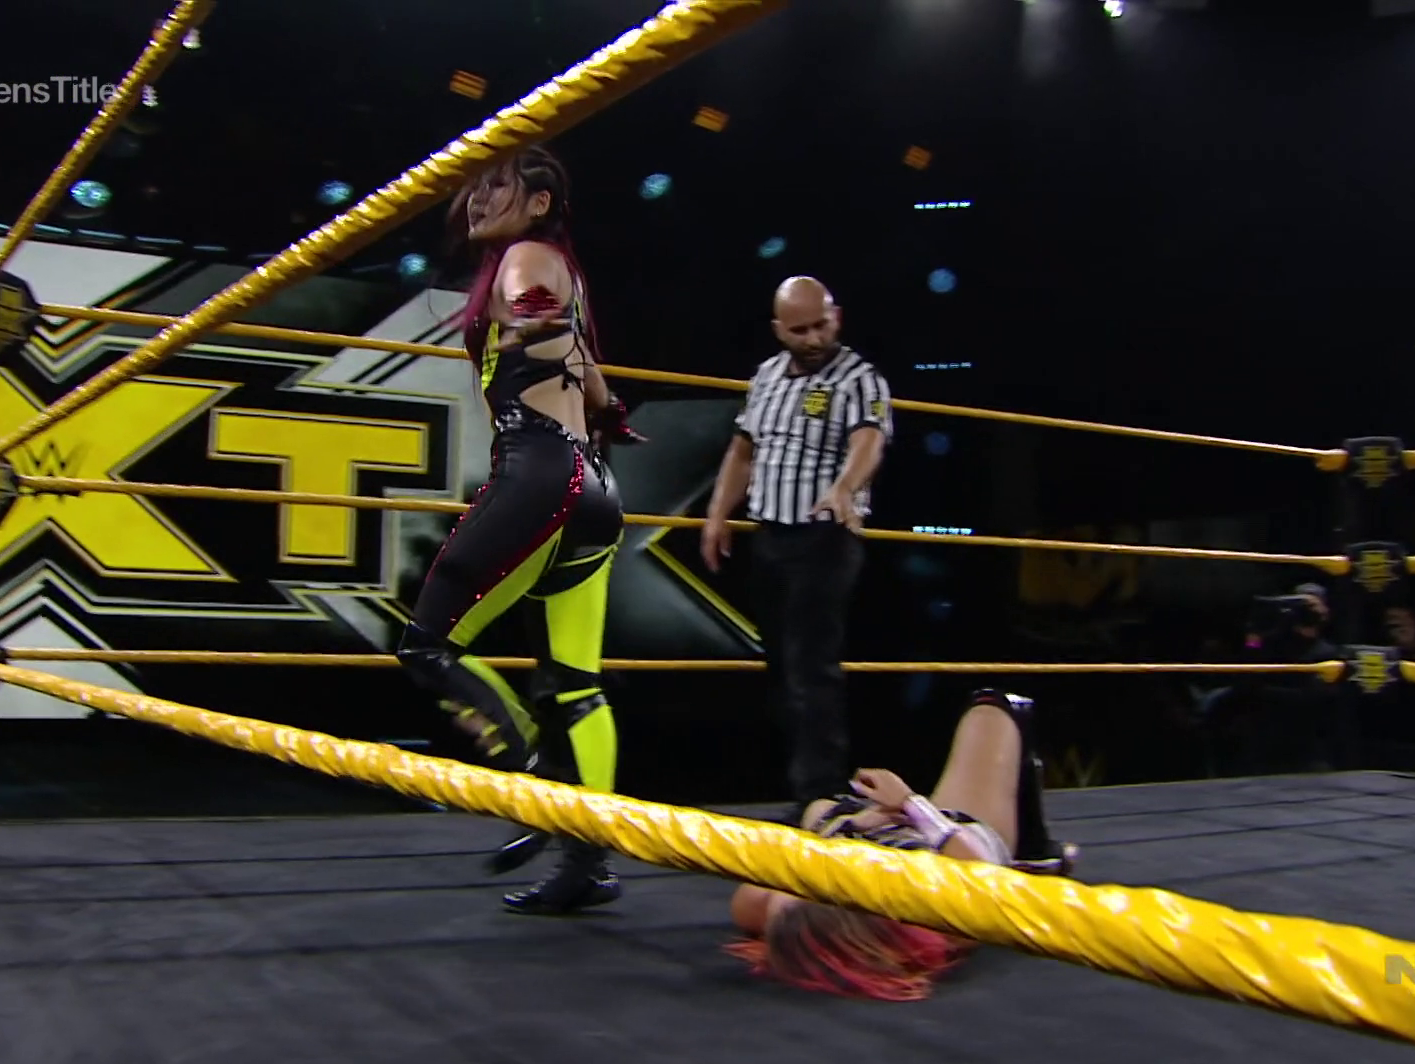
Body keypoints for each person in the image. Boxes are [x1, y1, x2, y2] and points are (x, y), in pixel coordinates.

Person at [395, 145, 643, 916]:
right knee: (576, 682)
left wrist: (527, 322)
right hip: (593, 487)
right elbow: (591, 375)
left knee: (428, 646)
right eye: (473, 188)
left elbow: (533, 309)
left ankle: (535, 785)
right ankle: (588, 862)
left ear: (539, 203)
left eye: (497, 184)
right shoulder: (561, 269)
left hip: (540, 474)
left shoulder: (526, 258)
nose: (477, 199)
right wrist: (610, 412)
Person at [727, 690, 1076, 1000]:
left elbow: (793, 860)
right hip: (957, 833)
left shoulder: (769, 907)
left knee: (819, 809)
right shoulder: (929, 912)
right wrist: (912, 805)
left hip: (881, 838)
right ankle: (1033, 849)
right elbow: (983, 877)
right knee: (996, 706)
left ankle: (855, 827)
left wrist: (853, 826)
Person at [701, 277, 893, 816]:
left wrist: (844, 488)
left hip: (825, 535)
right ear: (778, 329)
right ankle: (802, 787)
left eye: (821, 325)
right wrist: (716, 514)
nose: (813, 338)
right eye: (800, 329)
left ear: (837, 317)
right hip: (770, 535)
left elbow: (869, 440)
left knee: (811, 667)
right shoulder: (765, 376)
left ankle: (820, 794)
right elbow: (743, 450)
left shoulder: (859, 377)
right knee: (782, 667)